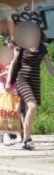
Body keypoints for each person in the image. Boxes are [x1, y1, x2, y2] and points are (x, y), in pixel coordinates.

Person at [8, 21, 54, 150]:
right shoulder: (22, 46)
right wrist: (8, 82)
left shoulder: (43, 48)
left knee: (30, 110)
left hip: (35, 82)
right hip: (22, 79)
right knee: (32, 106)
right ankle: (26, 139)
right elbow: (13, 63)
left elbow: (50, 67)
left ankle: (25, 137)